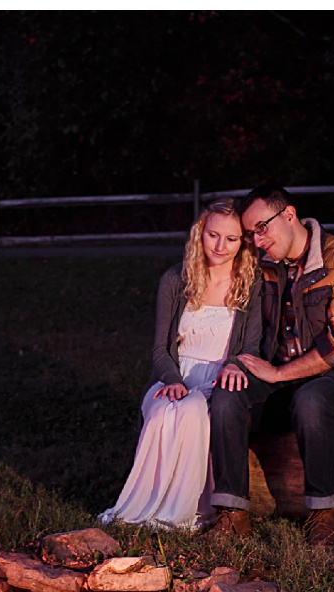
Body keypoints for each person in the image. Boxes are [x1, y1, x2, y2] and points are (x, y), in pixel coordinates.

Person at [204, 185, 334, 547]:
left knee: (311, 398)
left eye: (261, 229)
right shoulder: (266, 265)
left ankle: (322, 512)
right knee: (228, 392)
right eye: (250, 233)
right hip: (282, 379)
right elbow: (247, 321)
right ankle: (232, 511)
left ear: (288, 215)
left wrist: (277, 374)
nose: (256, 241)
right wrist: (238, 363)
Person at [99, 199, 262, 530]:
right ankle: (142, 506)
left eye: (231, 239)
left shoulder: (251, 282)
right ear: (200, 233)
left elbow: (251, 344)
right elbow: (160, 348)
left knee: (191, 412)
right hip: (175, 374)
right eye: (213, 235)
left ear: (242, 241)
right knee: (162, 411)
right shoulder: (176, 279)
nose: (220, 246)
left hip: (218, 381)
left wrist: (234, 366)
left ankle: (186, 512)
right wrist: (172, 380)